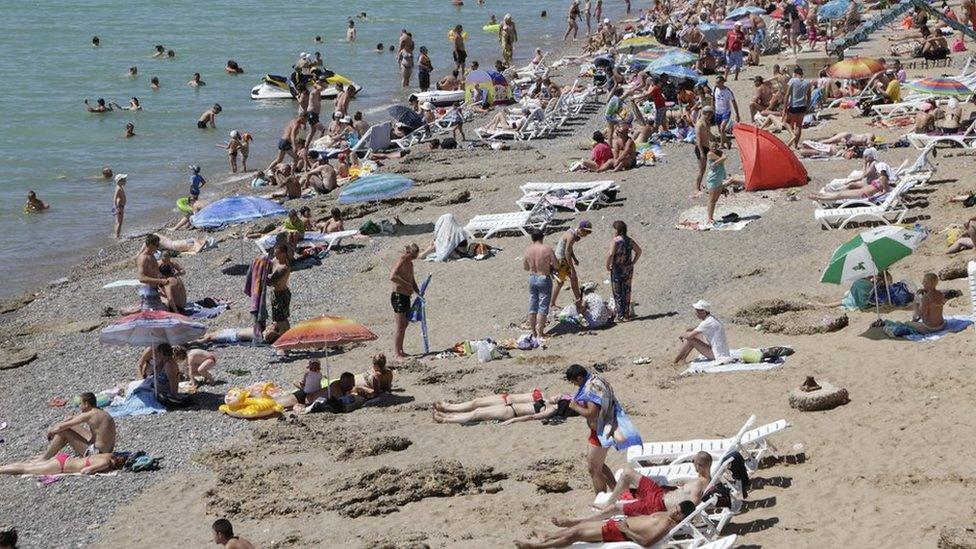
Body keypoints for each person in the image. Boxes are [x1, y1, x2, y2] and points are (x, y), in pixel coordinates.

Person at [551, 452, 712, 525]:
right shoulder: (704, 479)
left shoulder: (698, 486)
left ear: (700, 465)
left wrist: (662, 515)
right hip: (659, 493)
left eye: (694, 462)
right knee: (627, 472)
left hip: (656, 505)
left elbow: (689, 510)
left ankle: (578, 521)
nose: (692, 464)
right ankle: (607, 502)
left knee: (615, 509)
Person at [514, 503, 694, 547]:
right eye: (675, 508)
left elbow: (647, 542)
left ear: (682, 518)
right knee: (576, 529)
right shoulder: (666, 514)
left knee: (575, 535)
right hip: (618, 525)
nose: (673, 511)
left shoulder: (666, 525)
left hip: (620, 532)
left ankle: (539, 547)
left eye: (678, 513)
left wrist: (626, 530)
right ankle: (548, 537)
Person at [39, 392, 116, 460]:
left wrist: (51, 431)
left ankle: (45, 458)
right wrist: (61, 423)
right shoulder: (101, 412)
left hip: (97, 454)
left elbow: (61, 427)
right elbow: (72, 419)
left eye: (80, 404)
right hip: (107, 450)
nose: (79, 407)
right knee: (72, 426)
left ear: (86, 404)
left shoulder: (89, 414)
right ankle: (47, 454)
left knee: (64, 431)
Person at [433, 394, 572, 424]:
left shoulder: (551, 410)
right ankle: (448, 411)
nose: (557, 396)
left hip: (511, 412)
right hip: (508, 406)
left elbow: (531, 417)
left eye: (560, 397)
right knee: (476, 408)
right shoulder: (547, 401)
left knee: (477, 413)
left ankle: (447, 419)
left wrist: (511, 421)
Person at [523, 229, 558, 342]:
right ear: (542, 237)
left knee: (533, 305)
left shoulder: (527, 250)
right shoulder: (547, 249)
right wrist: (549, 266)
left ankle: (533, 332)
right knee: (542, 306)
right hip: (543, 277)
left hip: (532, 277)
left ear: (532, 238)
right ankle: (540, 333)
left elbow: (526, 267)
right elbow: (556, 265)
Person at [673, 300, 730, 365]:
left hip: (717, 354)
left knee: (691, 339)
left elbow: (689, 336)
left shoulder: (707, 322)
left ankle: (676, 361)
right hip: (722, 351)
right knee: (691, 333)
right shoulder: (711, 318)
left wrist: (682, 334)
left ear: (703, 311)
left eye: (697, 311)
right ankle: (682, 359)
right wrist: (688, 331)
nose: (695, 313)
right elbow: (699, 328)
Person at [551, 221, 592, 309]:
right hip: (561, 259)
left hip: (563, 258)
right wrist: (572, 268)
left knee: (565, 281)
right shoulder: (572, 236)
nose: (586, 234)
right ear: (581, 229)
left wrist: (574, 258)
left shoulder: (572, 233)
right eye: (585, 232)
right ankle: (553, 303)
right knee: (565, 281)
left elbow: (569, 248)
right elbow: (567, 252)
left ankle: (577, 301)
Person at [390, 244, 420, 360]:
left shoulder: (410, 264)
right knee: (400, 326)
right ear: (408, 253)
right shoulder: (402, 261)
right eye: (412, 256)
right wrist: (406, 284)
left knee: (405, 324)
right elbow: (392, 276)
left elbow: (412, 279)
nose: (413, 259)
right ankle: (397, 353)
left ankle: (401, 350)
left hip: (407, 296)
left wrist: (418, 291)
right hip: (398, 296)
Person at [606, 220, 641, 321]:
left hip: (617, 268)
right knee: (627, 290)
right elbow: (639, 251)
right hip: (628, 268)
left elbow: (610, 254)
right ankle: (626, 314)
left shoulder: (615, 240)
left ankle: (620, 315)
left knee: (617, 291)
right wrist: (633, 262)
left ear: (617, 230)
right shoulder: (629, 240)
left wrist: (607, 265)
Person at [0, 453, 126, 476]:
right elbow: (85, 471)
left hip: (64, 458)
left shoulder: (109, 455)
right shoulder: (105, 462)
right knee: (25, 469)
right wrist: (104, 469)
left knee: (27, 464)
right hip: (60, 466)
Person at [137, 234, 174, 311]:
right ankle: (128, 311)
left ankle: (137, 308)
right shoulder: (143, 258)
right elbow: (141, 278)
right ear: (150, 245)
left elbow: (155, 272)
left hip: (154, 289)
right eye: (156, 245)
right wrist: (160, 281)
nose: (158, 247)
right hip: (147, 291)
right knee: (158, 313)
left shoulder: (152, 255)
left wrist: (162, 280)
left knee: (167, 308)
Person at [783, 66, 811, 149]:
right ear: (802, 74)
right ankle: (795, 145)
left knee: (785, 122)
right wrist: (807, 107)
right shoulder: (807, 82)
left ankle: (792, 135)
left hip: (794, 106)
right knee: (799, 126)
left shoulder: (793, 80)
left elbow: (787, 94)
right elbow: (809, 96)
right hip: (803, 106)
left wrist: (785, 107)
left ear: (795, 74)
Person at [268, 244, 292, 335]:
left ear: (283, 254)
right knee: (283, 318)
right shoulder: (275, 260)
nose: (275, 255)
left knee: (280, 321)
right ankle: (290, 338)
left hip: (281, 295)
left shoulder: (283, 267)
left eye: (277, 253)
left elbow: (271, 282)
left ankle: (283, 344)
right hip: (279, 293)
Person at [704, 145, 729, 227]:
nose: (714, 148)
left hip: (719, 178)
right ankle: (709, 218)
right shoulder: (710, 154)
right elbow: (724, 158)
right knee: (711, 199)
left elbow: (725, 157)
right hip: (713, 179)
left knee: (715, 200)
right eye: (712, 147)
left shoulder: (718, 153)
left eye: (715, 147)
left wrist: (716, 162)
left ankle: (711, 217)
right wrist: (717, 161)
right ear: (709, 148)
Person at [712, 76, 739, 149]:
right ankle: (727, 142)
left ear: (722, 82)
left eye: (717, 82)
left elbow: (734, 102)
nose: (716, 84)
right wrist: (712, 109)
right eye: (716, 82)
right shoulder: (715, 89)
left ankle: (721, 145)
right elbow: (713, 99)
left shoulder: (728, 91)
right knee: (720, 131)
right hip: (717, 112)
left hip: (726, 112)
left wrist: (737, 114)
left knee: (722, 128)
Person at [693, 106, 715, 196]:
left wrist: (714, 138)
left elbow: (708, 133)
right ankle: (697, 188)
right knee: (701, 170)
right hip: (700, 148)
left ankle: (709, 184)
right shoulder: (699, 124)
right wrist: (702, 153)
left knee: (710, 167)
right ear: (706, 113)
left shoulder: (707, 122)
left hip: (706, 147)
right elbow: (698, 139)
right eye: (710, 115)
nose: (711, 117)